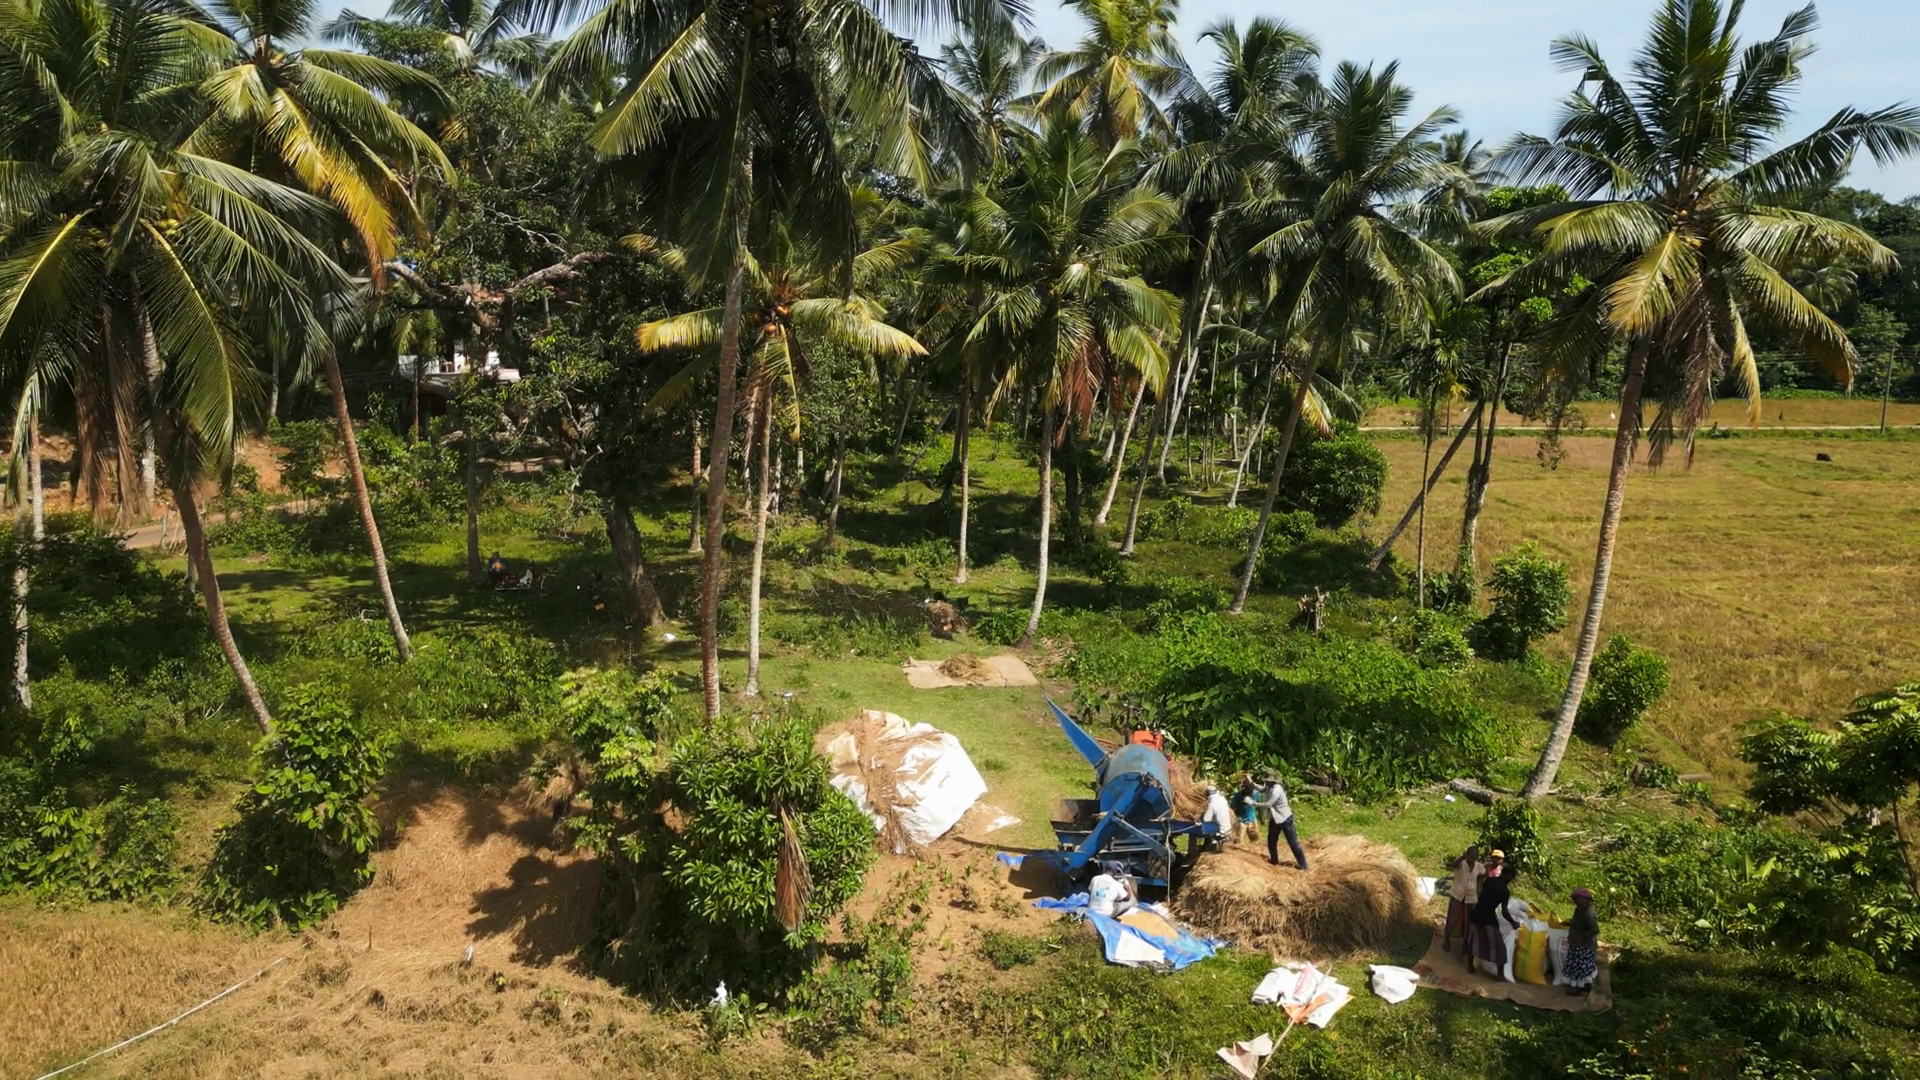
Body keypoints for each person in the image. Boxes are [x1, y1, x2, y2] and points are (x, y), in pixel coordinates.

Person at [1469, 858, 1522, 980]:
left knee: (1475, 939)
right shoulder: (1504, 891)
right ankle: (1500, 975)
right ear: (1509, 876)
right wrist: (1513, 923)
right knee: (1499, 947)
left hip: (1476, 914)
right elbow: (1504, 912)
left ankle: (1469, 966)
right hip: (1488, 918)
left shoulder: (1489, 881)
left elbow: (1481, 893)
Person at [1260, 774, 1308, 870]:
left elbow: (1269, 804)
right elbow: (1261, 789)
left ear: (1271, 782)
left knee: (1293, 842)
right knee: (1271, 840)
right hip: (1275, 818)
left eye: (1267, 781)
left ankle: (1303, 865)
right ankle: (1274, 860)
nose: (1265, 782)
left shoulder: (1276, 789)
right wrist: (1250, 782)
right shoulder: (1269, 787)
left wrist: (1253, 803)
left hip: (1285, 819)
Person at [1443, 844, 1483, 953]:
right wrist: (1462, 857)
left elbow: (1482, 876)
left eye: (1475, 856)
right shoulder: (1461, 863)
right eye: (1471, 855)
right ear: (1467, 854)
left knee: (1468, 921)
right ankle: (1447, 940)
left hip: (1470, 897)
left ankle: (1465, 943)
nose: (1473, 858)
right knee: (1452, 917)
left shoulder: (1479, 867)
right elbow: (1453, 865)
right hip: (1457, 894)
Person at [1564, 887, 1599, 995]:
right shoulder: (1579, 910)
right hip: (1577, 943)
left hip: (1584, 946)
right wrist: (1570, 923)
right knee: (1582, 967)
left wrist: (1583, 936)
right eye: (1578, 901)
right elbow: (1578, 922)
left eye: (1583, 901)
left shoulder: (1588, 914)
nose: (1580, 903)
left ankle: (1578, 988)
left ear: (1587, 901)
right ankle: (1586, 986)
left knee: (1580, 967)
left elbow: (1595, 929)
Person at [1201, 784, 1234, 849]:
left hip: (1220, 832)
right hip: (1228, 829)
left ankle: (1208, 848)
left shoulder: (1212, 804)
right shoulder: (1223, 799)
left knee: (1208, 833)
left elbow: (1206, 820)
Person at [1231, 776, 1260, 844]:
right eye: (1248, 788)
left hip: (1252, 819)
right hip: (1241, 820)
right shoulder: (1238, 795)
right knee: (1238, 842)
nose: (1250, 790)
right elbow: (1232, 807)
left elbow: (1257, 805)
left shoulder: (1256, 794)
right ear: (1244, 787)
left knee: (1256, 841)